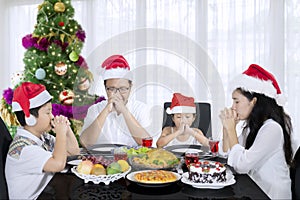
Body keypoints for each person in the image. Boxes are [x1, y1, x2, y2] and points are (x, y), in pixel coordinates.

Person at [219, 64, 293, 199]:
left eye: (236, 101)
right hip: (255, 189)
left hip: (270, 195)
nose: (232, 107)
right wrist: (226, 127)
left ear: (253, 101)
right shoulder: (251, 127)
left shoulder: (272, 128)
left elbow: (241, 165)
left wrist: (231, 129)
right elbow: (227, 154)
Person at [5, 82, 80, 200]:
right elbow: (58, 165)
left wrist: (67, 129)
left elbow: (73, 152)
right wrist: (60, 133)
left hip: (47, 191)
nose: (52, 116)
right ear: (30, 118)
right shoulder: (23, 149)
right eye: (47, 112)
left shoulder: (43, 137)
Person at [80, 55, 151, 147]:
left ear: (130, 88)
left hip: (132, 159)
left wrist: (124, 111)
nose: (117, 94)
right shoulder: (94, 109)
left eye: (123, 89)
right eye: (112, 89)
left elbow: (146, 143)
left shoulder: (141, 108)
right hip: (100, 159)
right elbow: (86, 143)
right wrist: (106, 111)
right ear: (106, 89)